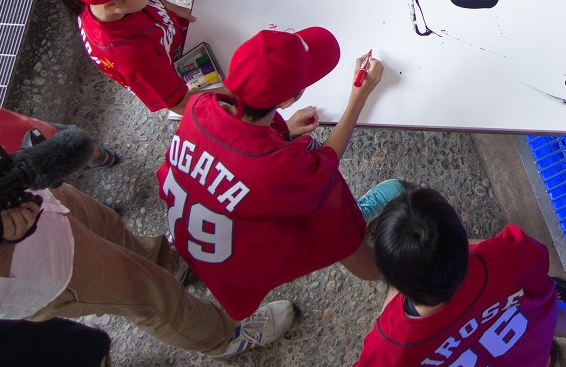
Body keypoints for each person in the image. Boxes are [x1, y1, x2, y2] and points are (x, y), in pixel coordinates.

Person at [0, 114, 297, 358]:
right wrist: (1, 247)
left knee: (115, 231)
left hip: (43, 205)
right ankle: (226, 336)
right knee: (152, 297)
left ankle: (168, 261)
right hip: (49, 273)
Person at [158, 27, 393, 319]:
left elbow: (235, 138)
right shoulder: (272, 168)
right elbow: (324, 163)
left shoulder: (199, 104)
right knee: (329, 220)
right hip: (239, 254)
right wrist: (358, 97)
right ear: (286, 101)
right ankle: (389, 271)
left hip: (195, 232)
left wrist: (282, 130)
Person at [353, 185, 566, 367]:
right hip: (527, 330)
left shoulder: (387, 350)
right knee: (550, 313)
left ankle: (546, 360)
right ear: (461, 235)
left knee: (506, 362)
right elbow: (539, 275)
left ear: (389, 277)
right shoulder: (503, 254)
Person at [56, 0, 236, 115]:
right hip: (176, 69)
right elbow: (180, 103)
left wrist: (170, 6)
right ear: (113, 5)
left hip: (172, 37)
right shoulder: (131, 56)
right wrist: (241, 90)